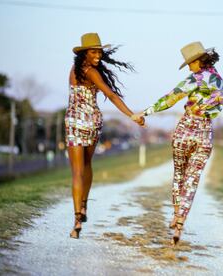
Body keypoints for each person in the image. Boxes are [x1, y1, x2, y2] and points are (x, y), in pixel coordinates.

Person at [132, 41, 223, 245]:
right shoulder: (219, 81)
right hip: (204, 132)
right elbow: (217, 107)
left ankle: (175, 214)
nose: (190, 67)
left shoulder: (195, 78)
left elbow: (170, 99)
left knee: (179, 174)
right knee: (193, 179)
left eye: (190, 63)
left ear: (198, 61)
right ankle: (181, 220)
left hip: (186, 128)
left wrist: (145, 112)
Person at [66, 33, 144, 239]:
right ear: (84, 53)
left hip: (74, 120)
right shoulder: (91, 72)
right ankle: (83, 207)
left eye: (99, 51)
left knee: (77, 171)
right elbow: (110, 94)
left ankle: (76, 221)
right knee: (87, 165)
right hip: (91, 120)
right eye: (94, 51)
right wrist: (131, 115)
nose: (98, 55)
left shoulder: (73, 71)